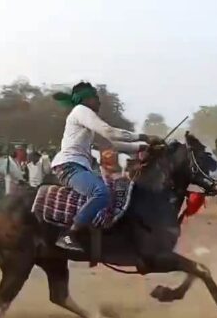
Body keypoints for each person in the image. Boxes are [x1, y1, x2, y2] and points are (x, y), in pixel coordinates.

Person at [50, 81, 150, 251]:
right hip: (69, 166)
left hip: (77, 166)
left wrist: (143, 146)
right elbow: (110, 132)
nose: (99, 102)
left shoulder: (85, 123)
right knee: (101, 193)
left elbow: (111, 145)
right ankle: (69, 234)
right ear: (86, 99)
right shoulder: (81, 111)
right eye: (96, 98)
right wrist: (143, 137)